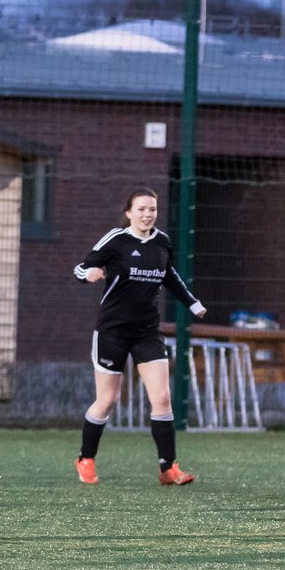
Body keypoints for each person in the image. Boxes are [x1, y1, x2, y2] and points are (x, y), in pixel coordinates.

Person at [73, 187, 206, 486]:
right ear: (129, 212)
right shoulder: (116, 240)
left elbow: (169, 275)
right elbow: (82, 267)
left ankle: (168, 468)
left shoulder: (162, 242)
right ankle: (86, 458)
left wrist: (192, 303)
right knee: (106, 400)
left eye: (153, 209)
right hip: (112, 331)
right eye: (142, 209)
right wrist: (89, 274)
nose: (148, 215)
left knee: (162, 398)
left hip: (147, 331)